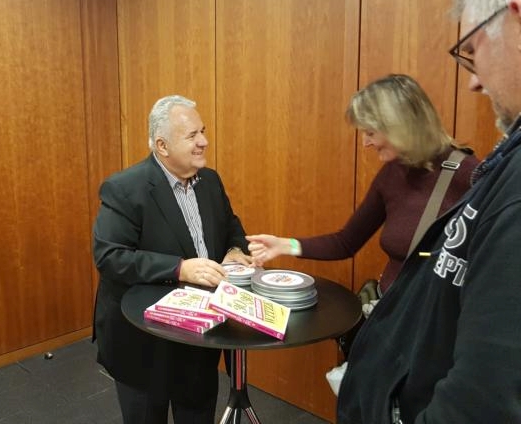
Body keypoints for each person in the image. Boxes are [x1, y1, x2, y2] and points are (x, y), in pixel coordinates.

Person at [336, 0, 521, 422]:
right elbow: (347, 239)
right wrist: (288, 244)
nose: (473, 82)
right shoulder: (398, 175)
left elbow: (488, 388)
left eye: (472, 50)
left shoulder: (479, 174)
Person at [91, 95, 251, 424]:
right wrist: (180, 268)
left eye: (203, 131)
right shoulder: (125, 188)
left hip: (199, 337)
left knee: (197, 414)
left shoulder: (210, 180)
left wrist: (236, 249)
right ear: (162, 145)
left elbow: (231, 226)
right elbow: (110, 257)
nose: (204, 141)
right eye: (192, 135)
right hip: (143, 343)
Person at [247, 74, 478, 298]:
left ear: (400, 127)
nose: (366, 143)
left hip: (434, 319)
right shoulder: (393, 172)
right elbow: (345, 243)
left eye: (370, 133)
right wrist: (284, 245)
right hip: (390, 309)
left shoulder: (470, 176)